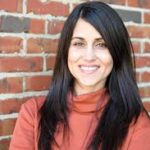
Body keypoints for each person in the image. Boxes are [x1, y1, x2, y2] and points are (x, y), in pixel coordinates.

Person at [9, 1, 150, 150]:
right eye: (79, 44)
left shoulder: (136, 125)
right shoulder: (33, 114)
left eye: (102, 45)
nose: (89, 56)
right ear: (66, 50)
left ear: (116, 53)